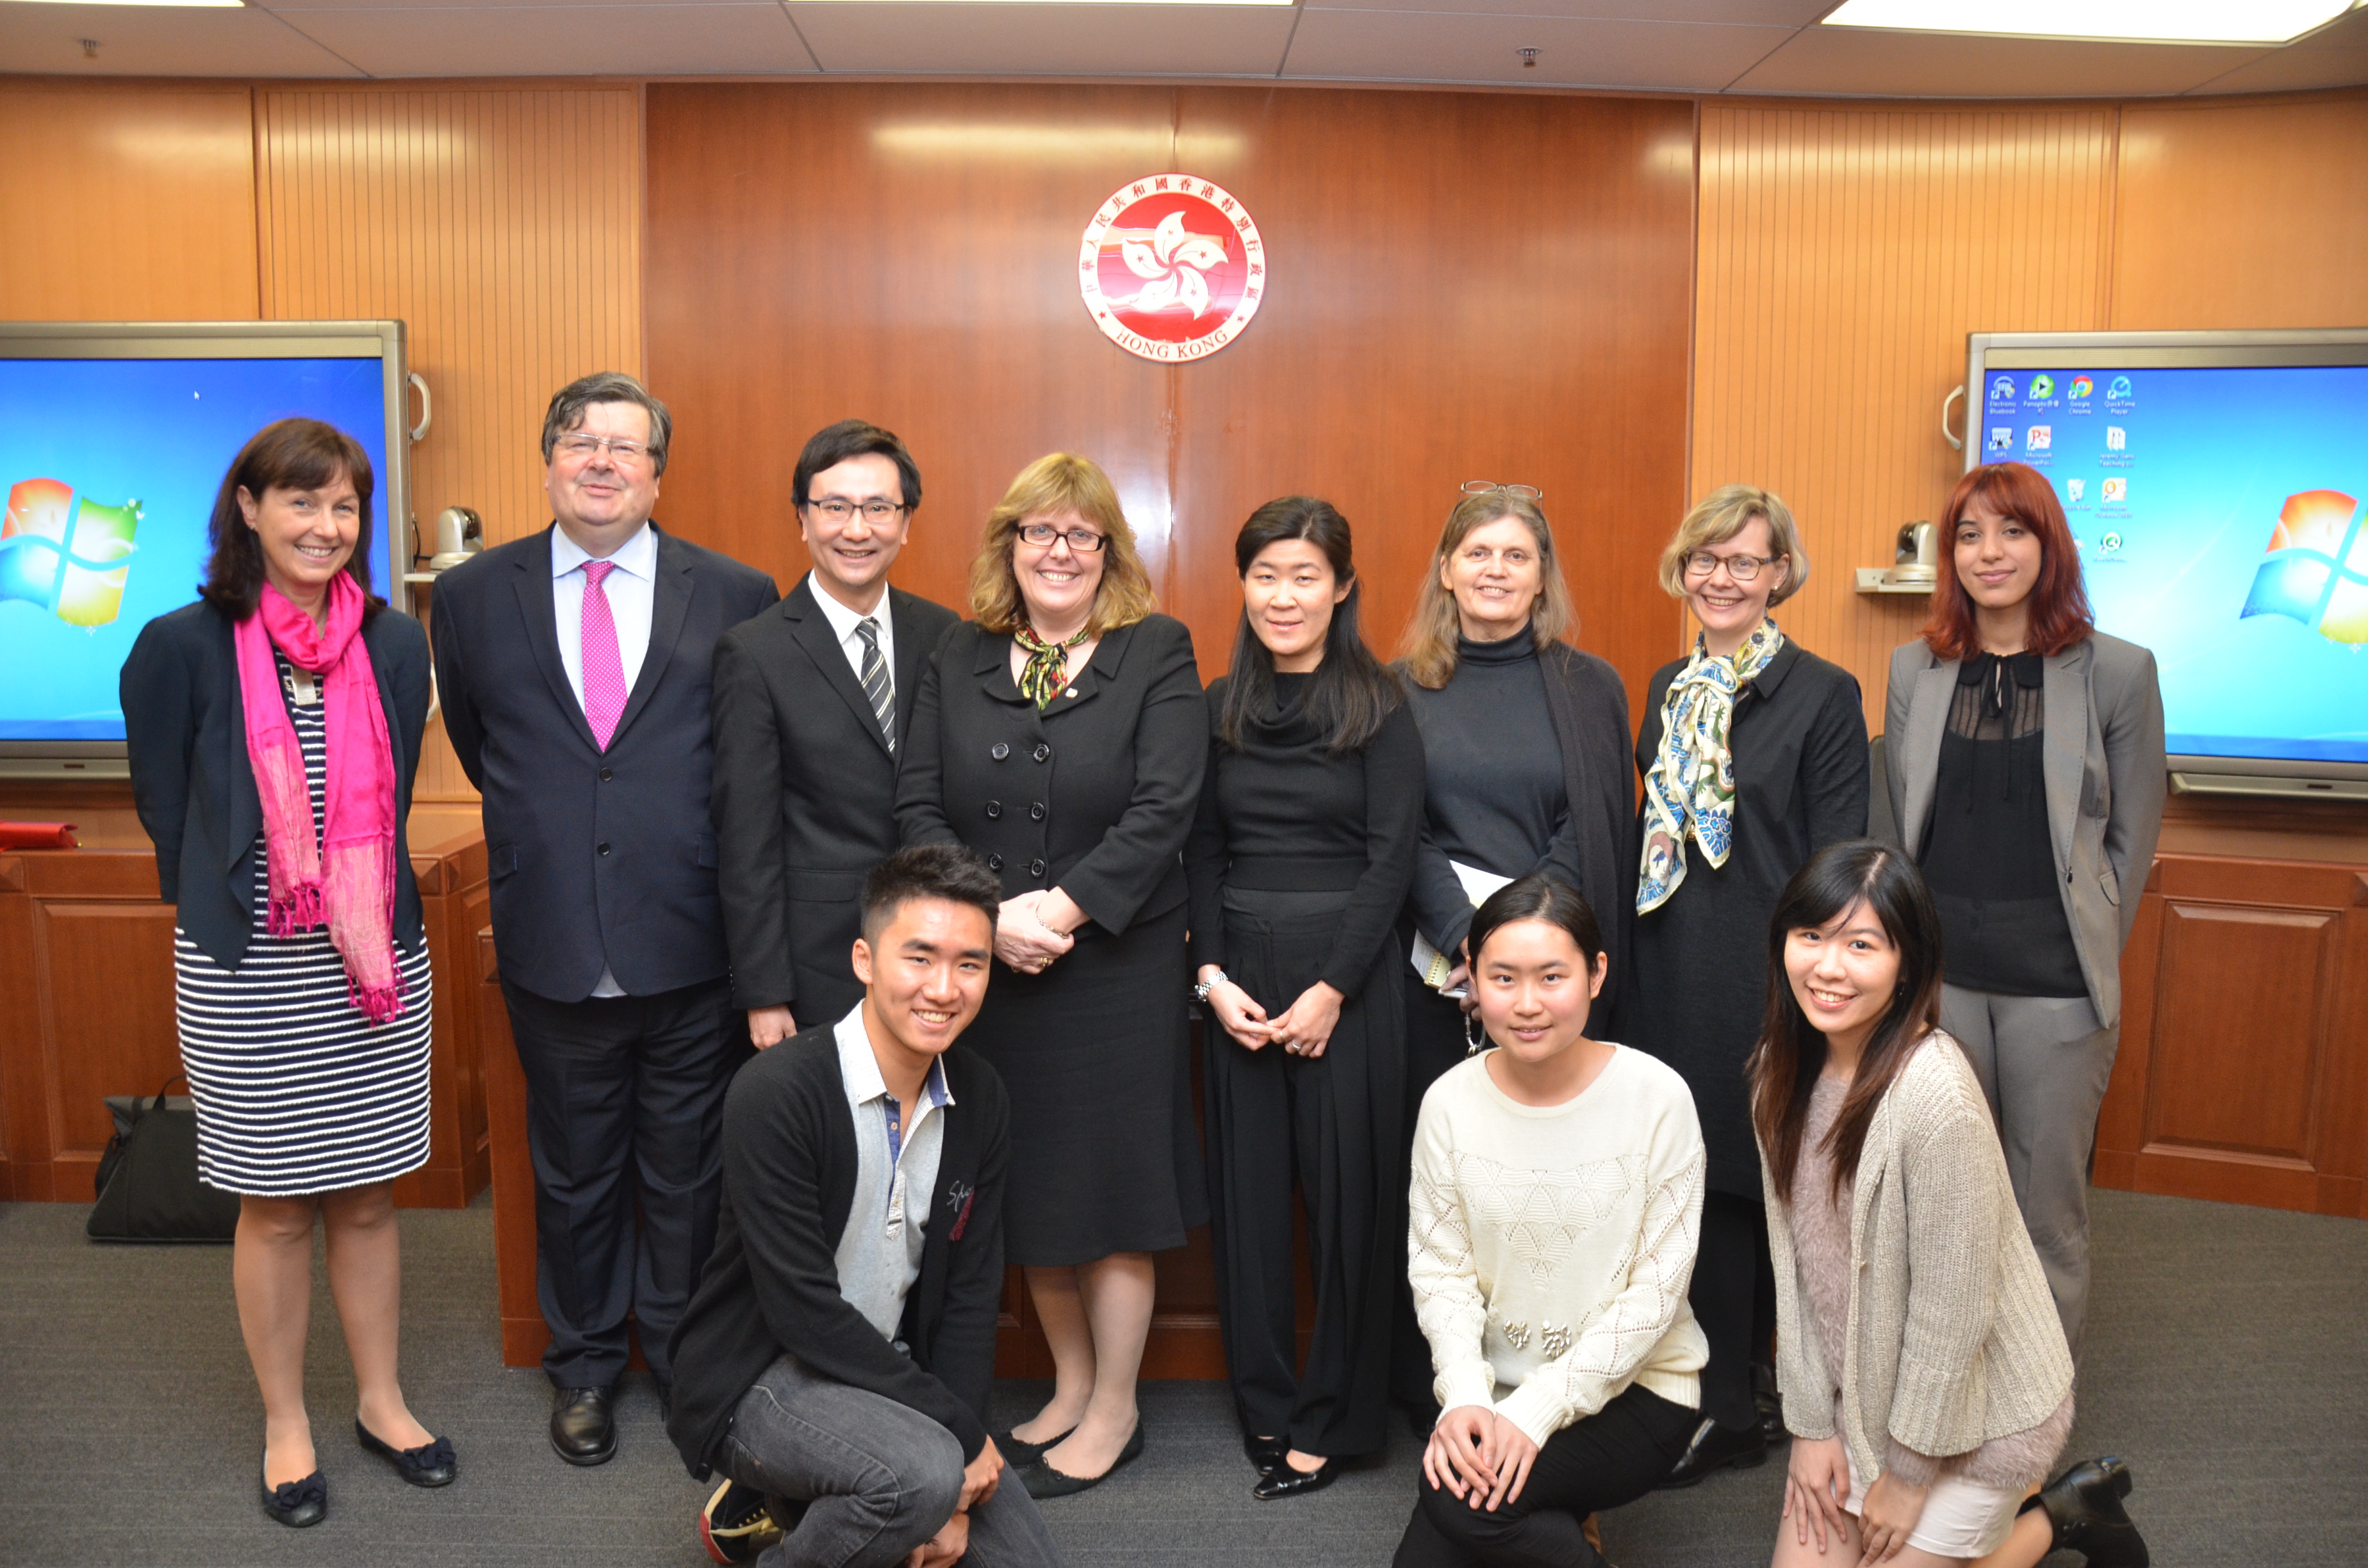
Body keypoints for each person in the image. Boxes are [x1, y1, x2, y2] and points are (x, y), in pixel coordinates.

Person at [431, 372, 779, 1466]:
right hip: (552, 934)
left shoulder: (734, 589)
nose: (601, 460)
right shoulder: (475, 593)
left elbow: (746, 759)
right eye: (581, 441)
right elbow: (493, 754)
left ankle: (680, 1358)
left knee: (687, 1170)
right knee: (574, 1169)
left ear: (656, 472)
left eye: (625, 446)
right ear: (546, 462)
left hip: (691, 934)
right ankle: (581, 1366)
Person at [122, 418, 448, 1526]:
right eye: (301, 502)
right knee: (272, 1204)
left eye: (345, 505)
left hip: (371, 962)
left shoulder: (396, 644)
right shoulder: (182, 643)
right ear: (249, 509)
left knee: (365, 1195)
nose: (325, 524)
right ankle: (285, 1420)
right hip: (250, 966)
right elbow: (168, 810)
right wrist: (250, 901)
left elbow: (390, 796)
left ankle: (381, 1399)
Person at [895, 452, 1207, 1498]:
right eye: (1039, 532)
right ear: (1010, 547)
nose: (1059, 552)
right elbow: (918, 805)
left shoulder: (1154, 649)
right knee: (1027, 1185)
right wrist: (992, 918)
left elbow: (1164, 809)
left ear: (1107, 551)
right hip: (996, 973)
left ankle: (1116, 1405)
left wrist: (1058, 910)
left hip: (1114, 971)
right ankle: (1070, 1384)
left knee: (1110, 1191)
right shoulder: (960, 651)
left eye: (1081, 535)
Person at [664, 844, 1068, 1568]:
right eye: (919, 958)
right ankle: (800, 1500)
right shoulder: (779, 1093)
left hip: (884, 1373)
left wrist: (961, 1474)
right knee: (919, 1478)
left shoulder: (980, 1098)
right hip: (761, 1376)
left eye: (970, 964)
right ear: (864, 959)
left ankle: (824, 1502)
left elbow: (973, 1299)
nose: (944, 988)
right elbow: (801, 1314)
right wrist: (958, 1451)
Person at [1751, 840, 2148, 1568]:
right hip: (1860, 1402)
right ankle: (2063, 1510)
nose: (1828, 967)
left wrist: (1905, 1479)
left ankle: (2053, 1517)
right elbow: (1795, 1273)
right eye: (1811, 936)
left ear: (1909, 965)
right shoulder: (1779, 1073)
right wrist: (1811, 1427)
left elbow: (1952, 1316)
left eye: (1861, 944)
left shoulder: (1936, 1098)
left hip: (1973, 1420)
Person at [1880, 461, 2165, 1357]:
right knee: (1945, 1208)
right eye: (1969, 535)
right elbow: (1898, 833)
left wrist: (2087, 962)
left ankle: (2030, 1434)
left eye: (2012, 531)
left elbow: (2131, 844)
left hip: (2058, 994)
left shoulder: (2116, 671)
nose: (1989, 553)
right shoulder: (1914, 669)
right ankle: (1943, 1401)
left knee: (2046, 1216)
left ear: (2050, 546)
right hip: (1943, 986)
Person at [1624, 484, 1870, 1487]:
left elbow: (1841, 856)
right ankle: (1725, 1390)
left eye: (1745, 562)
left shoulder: (1821, 693)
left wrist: (1817, 976)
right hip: (1666, 961)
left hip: (1768, 974)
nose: (1721, 579)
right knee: (1685, 1177)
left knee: (1743, 1180)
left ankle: (1739, 1402)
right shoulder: (1663, 687)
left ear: (1780, 576)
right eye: (1704, 560)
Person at [1185, 498, 1424, 1497]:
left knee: (1348, 1209)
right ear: (1243, 586)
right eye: (1267, 576)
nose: (1284, 596)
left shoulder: (1382, 705)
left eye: (1306, 576)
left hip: (1350, 980)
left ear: (1343, 587)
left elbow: (1393, 859)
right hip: (1237, 970)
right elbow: (1197, 848)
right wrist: (1208, 979)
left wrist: (1333, 988)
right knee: (1246, 1210)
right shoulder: (1215, 705)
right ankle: (1269, 1408)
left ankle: (1336, 1418)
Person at [1390, 480, 1637, 1420]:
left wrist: (1520, 953)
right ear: (1447, 571)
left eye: (1517, 555)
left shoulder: (1589, 686)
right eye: (1477, 553)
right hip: (1433, 973)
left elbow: (1597, 821)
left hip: (1549, 975)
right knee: (1452, 1191)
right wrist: (1464, 936)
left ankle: (1555, 1393)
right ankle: (1446, 1394)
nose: (1496, 570)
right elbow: (1395, 831)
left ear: (1542, 577)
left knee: (1553, 1189)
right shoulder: (1400, 687)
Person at [1395, 873, 1707, 1568]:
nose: (1527, 1004)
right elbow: (1440, 1272)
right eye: (1503, 978)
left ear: (1597, 974)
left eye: (1552, 977)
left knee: (1457, 1505)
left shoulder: (1658, 1098)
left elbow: (1658, 1294)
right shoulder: (1449, 1103)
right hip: (1498, 1391)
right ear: (1472, 979)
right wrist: (1468, 1401)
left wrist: (1534, 1415)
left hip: (1640, 1392)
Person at [712, 419, 961, 1040]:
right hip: (815, 966)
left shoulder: (945, 634)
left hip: (938, 958)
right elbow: (748, 839)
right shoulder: (755, 651)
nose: (857, 529)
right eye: (835, 507)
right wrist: (764, 992)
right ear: (802, 519)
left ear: (906, 523)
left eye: (879, 508)